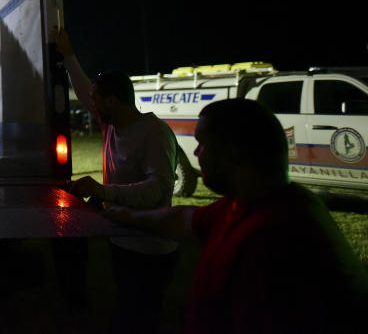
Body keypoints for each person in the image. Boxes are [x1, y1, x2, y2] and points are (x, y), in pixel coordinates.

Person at [106, 98, 368, 333]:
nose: (196, 154)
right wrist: (126, 216)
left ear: (232, 154)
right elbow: (185, 219)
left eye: (202, 145)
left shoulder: (271, 240)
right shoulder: (248, 204)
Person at [50, 26, 178, 334]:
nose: (89, 104)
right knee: (125, 309)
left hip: (151, 248)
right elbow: (83, 89)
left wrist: (104, 190)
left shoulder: (154, 133)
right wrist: (68, 56)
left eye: (96, 100)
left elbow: (159, 190)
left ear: (113, 101)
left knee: (138, 317)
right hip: (123, 239)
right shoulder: (112, 126)